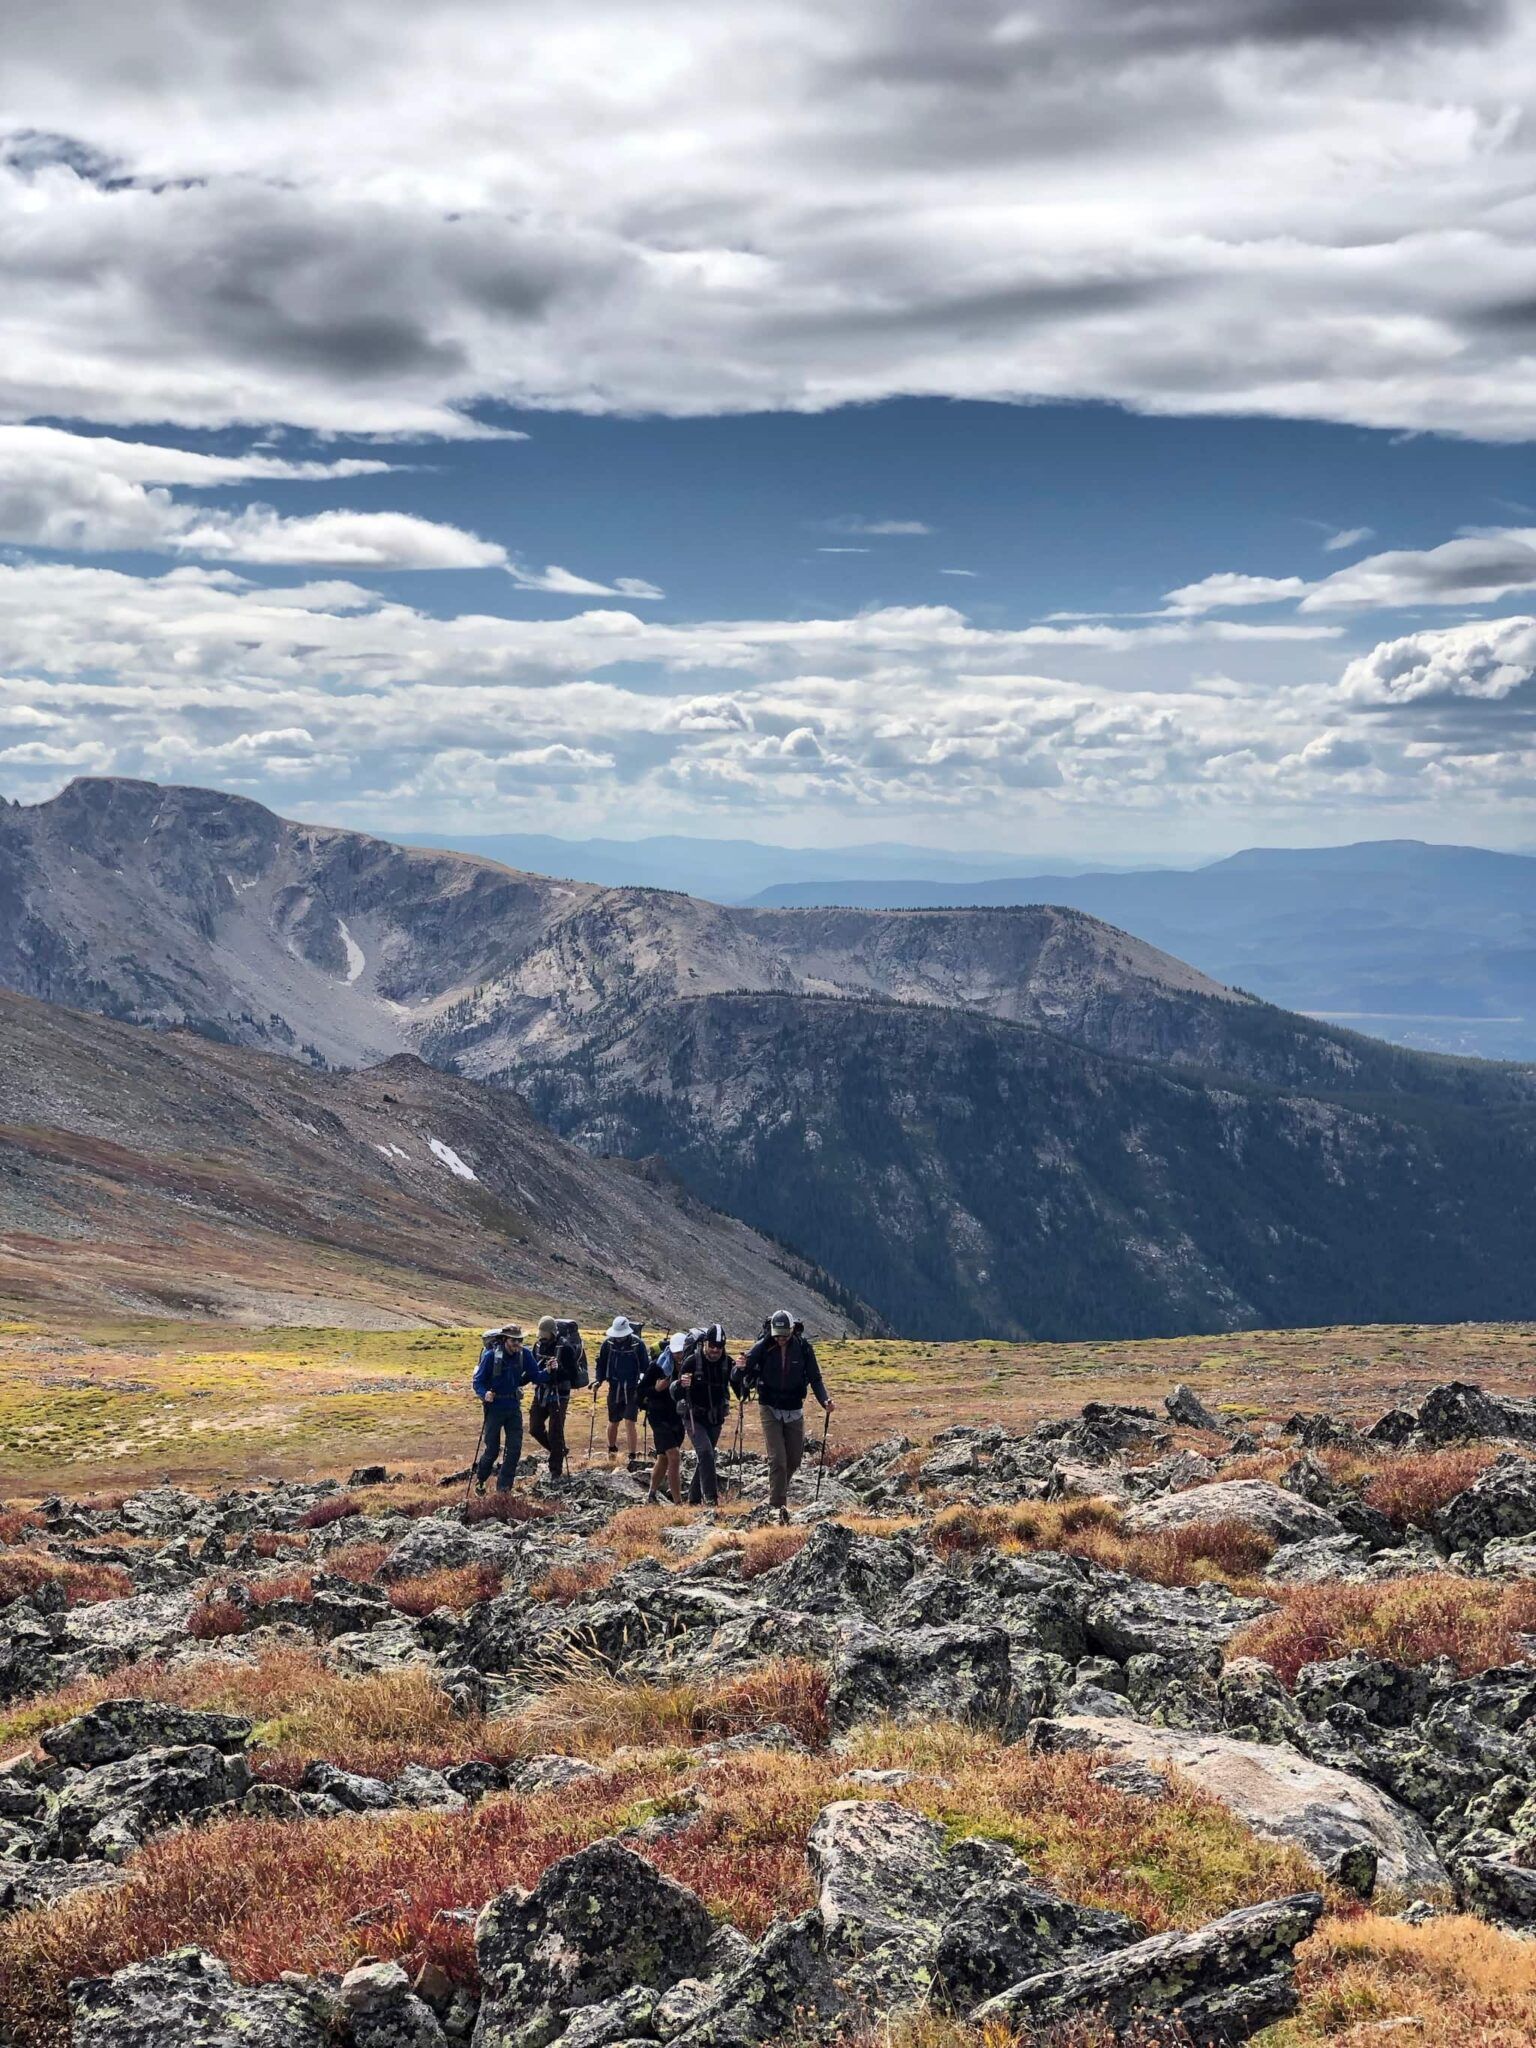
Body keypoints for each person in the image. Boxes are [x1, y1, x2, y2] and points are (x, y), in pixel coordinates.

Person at [737, 1309, 833, 1524]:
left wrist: (825, 1401)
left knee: (795, 1459)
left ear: (792, 1331)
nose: (780, 1339)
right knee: (778, 1459)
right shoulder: (764, 1346)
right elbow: (741, 1373)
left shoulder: (803, 1349)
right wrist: (741, 1367)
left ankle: (777, 1491)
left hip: (794, 1409)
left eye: (784, 1335)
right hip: (769, 1407)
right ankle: (777, 1506)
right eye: (777, 1335)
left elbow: (815, 1378)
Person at [471, 1323, 541, 1493]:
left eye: (520, 1340)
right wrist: (484, 1393)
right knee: (492, 1449)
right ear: (504, 1340)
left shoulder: (524, 1355)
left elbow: (536, 1376)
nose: (518, 1344)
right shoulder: (490, 1356)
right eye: (514, 1340)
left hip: (513, 1408)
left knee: (514, 1449)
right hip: (494, 1409)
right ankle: (480, 1479)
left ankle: (503, 1489)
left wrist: (550, 1371)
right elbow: (478, 1381)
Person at [677, 1322, 734, 1509]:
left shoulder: (728, 1363)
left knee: (705, 1457)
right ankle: (711, 1500)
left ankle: (693, 1501)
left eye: (719, 1347)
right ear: (705, 1344)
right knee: (706, 1453)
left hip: (716, 1418)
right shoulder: (692, 1362)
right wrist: (681, 1385)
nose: (715, 1350)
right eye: (712, 1346)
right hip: (693, 1417)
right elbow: (675, 1392)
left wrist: (742, 1371)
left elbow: (740, 1387)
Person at [528, 1315, 584, 1479]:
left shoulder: (565, 1348)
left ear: (553, 1333)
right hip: (541, 1391)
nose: (542, 1339)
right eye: (541, 1335)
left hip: (560, 1394)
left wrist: (557, 1370)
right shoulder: (537, 1346)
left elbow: (573, 1375)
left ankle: (555, 1471)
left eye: (545, 1336)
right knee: (535, 1428)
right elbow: (532, 1368)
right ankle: (559, 1450)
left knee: (555, 1431)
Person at [594, 1315, 648, 1467]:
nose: (618, 1338)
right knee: (613, 1421)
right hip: (615, 1387)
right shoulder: (608, 1344)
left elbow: (645, 1366)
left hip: (633, 1388)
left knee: (630, 1421)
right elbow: (602, 1364)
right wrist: (599, 1379)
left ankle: (632, 1456)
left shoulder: (638, 1345)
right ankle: (611, 1451)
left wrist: (643, 1384)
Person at [639, 1336, 687, 1504]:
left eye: (682, 1352)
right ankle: (678, 1503)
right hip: (658, 1417)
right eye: (677, 1352)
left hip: (677, 1418)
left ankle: (651, 1493)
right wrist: (656, 1389)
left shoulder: (690, 1366)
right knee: (674, 1456)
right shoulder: (658, 1367)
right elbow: (640, 1391)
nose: (680, 1355)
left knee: (664, 1458)